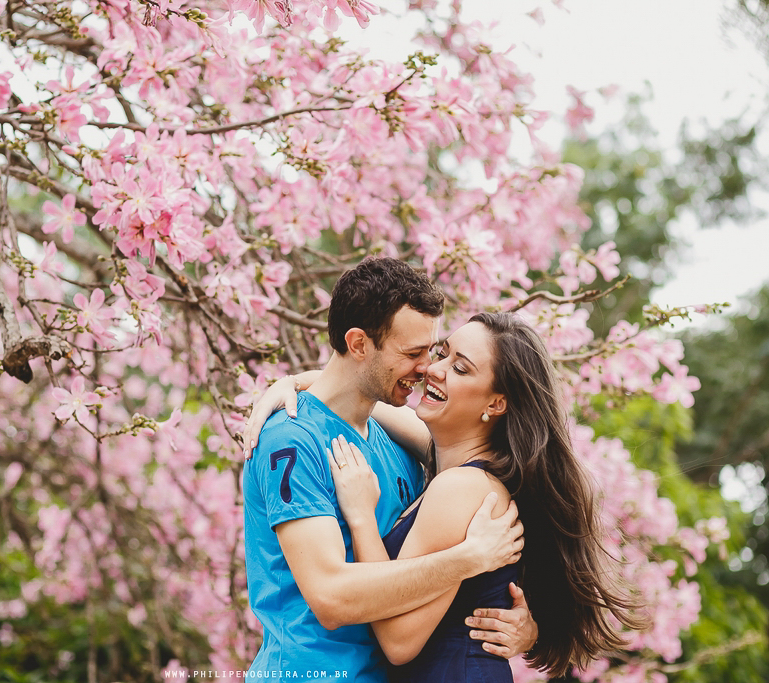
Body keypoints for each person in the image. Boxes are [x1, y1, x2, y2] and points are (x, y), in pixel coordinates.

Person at [250, 312, 647, 681]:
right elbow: (358, 397)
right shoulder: (458, 465)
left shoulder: (462, 487)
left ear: (495, 403)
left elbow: (397, 640)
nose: (432, 369)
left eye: (460, 368)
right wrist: (296, 383)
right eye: (443, 353)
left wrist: (363, 518)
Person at [241, 258, 537, 682]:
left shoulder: (405, 447)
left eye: (432, 352)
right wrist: (467, 559)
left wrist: (531, 625)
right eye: (413, 353)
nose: (427, 369)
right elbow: (330, 597)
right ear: (359, 344)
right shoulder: (292, 440)